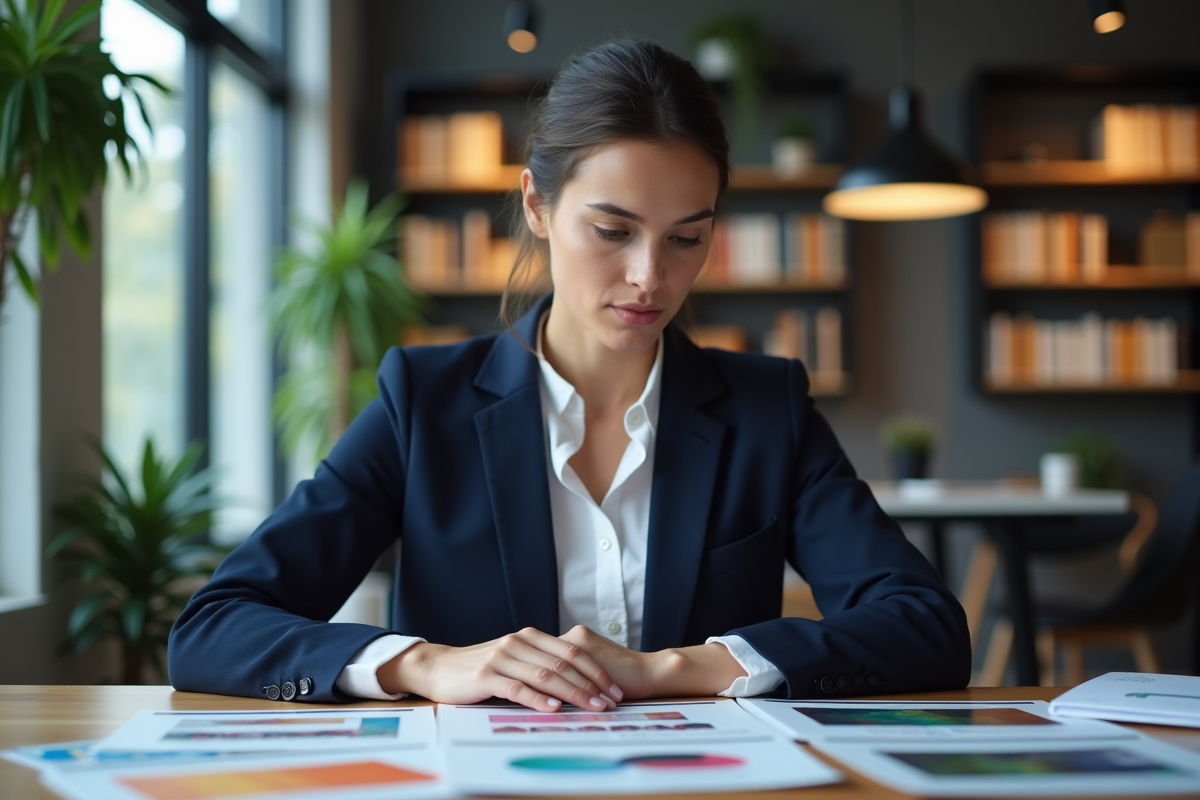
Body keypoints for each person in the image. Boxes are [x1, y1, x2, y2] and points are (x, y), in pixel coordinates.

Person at [168, 39, 971, 711]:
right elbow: (214, 627)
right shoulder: (424, 402)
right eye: (613, 230)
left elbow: (926, 628)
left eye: (686, 239)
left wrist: (673, 669)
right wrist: (424, 664)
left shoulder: (769, 410)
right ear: (538, 206)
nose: (649, 277)